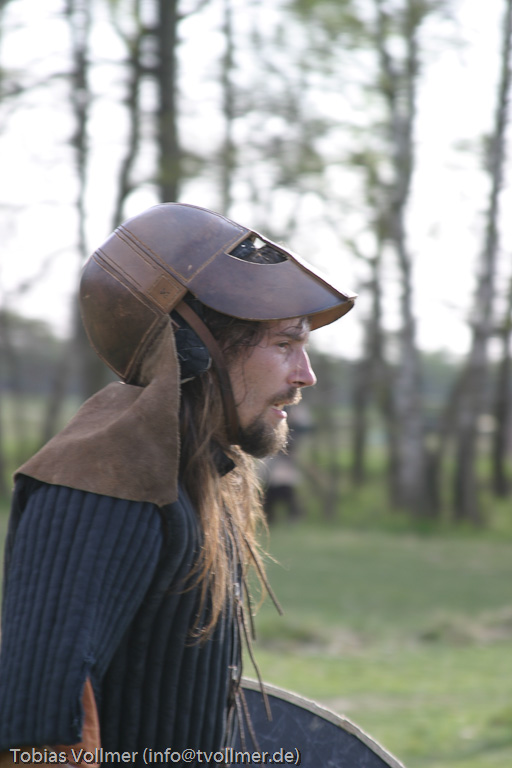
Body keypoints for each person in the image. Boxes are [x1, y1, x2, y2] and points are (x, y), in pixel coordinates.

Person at [0, 203, 355, 766]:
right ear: (195, 347)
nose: (304, 375)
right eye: (285, 345)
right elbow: (42, 735)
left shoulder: (195, 474)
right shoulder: (100, 479)